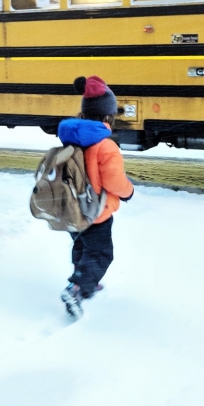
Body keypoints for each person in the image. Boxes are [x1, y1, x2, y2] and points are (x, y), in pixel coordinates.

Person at [56, 75, 134, 315]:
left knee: (81, 245)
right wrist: (128, 191)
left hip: (72, 208)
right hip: (96, 211)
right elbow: (113, 179)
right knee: (101, 253)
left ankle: (83, 280)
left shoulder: (70, 138)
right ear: (107, 116)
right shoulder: (106, 145)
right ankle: (77, 288)